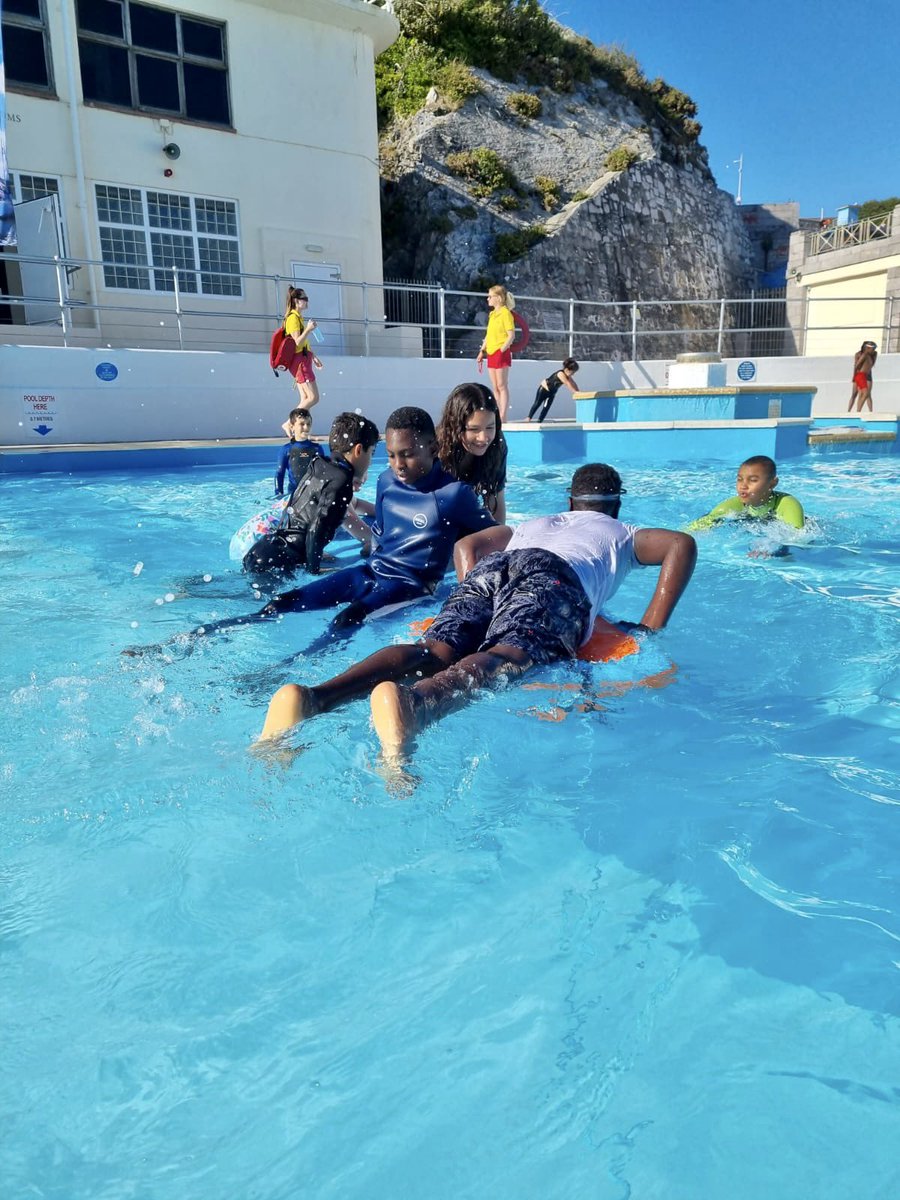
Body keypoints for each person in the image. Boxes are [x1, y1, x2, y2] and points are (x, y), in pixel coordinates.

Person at [256, 463, 697, 760]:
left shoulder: (537, 523)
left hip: (493, 567)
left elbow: (469, 545)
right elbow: (681, 543)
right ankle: (416, 704)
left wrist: (478, 602)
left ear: (569, 502)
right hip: (555, 578)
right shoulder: (622, 530)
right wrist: (649, 627)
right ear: (615, 505)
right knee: (510, 655)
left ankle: (314, 697)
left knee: (434, 650)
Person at [130, 407, 496, 654]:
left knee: (347, 619)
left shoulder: (454, 495)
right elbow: (380, 537)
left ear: (432, 447)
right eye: (393, 454)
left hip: (409, 586)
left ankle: (285, 669)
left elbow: (497, 537)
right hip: (369, 572)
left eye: (409, 454)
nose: (399, 464)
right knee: (282, 601)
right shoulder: (386, 481)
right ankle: (181, 642)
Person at [244, 412, 379, 577]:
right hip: (281, 561)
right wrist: (313, 568)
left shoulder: (319, 463)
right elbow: (318, 527)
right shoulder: (341, 480)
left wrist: (313, 552)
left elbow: (295, 507)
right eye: (371, 453)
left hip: (265, 549)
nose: (370, 461)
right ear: (359, 450)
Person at [437, 382, 508, 522]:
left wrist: (498, 537)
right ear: (454, 425)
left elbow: (496, 501)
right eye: (473, 429)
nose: (483, 438)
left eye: (490, 427)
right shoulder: (436, 450)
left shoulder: (496, 447)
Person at [686, 455, 804, 531]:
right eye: (739, 479)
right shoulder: (735, 504)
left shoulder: (787, 504)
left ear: (772, 484)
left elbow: (798, 538)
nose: (743, 486)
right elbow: (701, 524)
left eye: (753, 480)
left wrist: (770, 547)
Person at [476, 285, 516, 421]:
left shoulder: (506, 314)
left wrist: (502, 350)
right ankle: (497, 412)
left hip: (500, 351)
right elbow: (488, 335)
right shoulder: (492, 314)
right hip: (492, 352)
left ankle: (503, 415)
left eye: (490, 296)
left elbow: (511, 335)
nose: (488, 299)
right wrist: (482, 351)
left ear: (498, 298)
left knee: (501, 385)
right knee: (495, 386)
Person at [283, 285, 323, 410]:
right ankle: (290, 422)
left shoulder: (298, 318)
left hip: (303, 360)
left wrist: (313, 356)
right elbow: (297, 343)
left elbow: (303, 343)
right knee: (313, 398)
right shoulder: (293, 318)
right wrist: (308, 329)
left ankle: (297, 427)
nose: (307, 301)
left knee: (305, 399)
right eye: (304, 298)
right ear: (296, 300)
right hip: (300, 362)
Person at [274, 407, 326, 498]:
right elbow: (279, 474)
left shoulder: (317, 448)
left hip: (312, 494)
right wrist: (279, 495)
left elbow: (322, 473)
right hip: (293, 494)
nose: (306, 427)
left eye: (308, 424)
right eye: (302, 424)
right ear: (292, 426)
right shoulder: (286, 450)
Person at [527, 358, 580, 423]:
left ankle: (540, 421)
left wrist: (579, 393)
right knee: (537, 403)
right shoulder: (561, 374)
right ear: (566, 370)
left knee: (546, 407)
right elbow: (567, 384)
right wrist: (575, 393)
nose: (573, 374)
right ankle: (529, 417)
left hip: (551, 393)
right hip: (544, 389)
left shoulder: (568, 376)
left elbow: (573, 383)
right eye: (572, 372)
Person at [849, 341, 877, 413]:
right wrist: (856, 374)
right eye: (873, 348)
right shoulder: (862, 355)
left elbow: (872, 363)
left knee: (865, 394)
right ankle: (856, 411)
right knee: (863, 394)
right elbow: (857, 365)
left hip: (865, 375)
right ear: (867, 348)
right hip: (861, 375)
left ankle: (861, 411)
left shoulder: (873, 354)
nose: (874, 350)